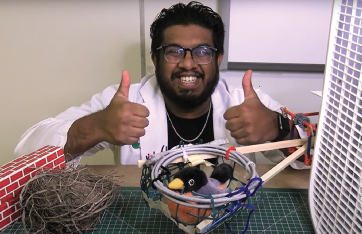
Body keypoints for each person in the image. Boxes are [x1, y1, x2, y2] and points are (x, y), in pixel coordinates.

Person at [14, 1, 309, 169]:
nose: (188, 63)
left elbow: (321, 163)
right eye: (174, 51)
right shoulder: (124, 101)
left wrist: (278, 128)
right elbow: (24, 156)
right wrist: (95, 128)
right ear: (155, 59)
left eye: (203, 52)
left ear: (218, 59)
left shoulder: (245, 102)